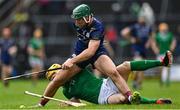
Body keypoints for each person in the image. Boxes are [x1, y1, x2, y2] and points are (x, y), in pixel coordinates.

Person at [38, 4, 136, 106]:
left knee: (113, 72)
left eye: (79, 19)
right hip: (80, 53)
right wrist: (73, 58)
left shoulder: (97, 27)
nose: (76, 22)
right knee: (57, 80)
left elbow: (90, 51)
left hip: (95, 54)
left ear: (87, 17)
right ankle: (41, 104)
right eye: (75, 19)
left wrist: (71, 61)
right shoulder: (77, 24)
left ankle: (130, 97)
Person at [44, 50, 172, 106]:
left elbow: (84, 57)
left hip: (107, 84)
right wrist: (69, 104)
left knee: (126, 65)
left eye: (56, 74)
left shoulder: (75, 70)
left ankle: (162, 62)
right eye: (53, 78)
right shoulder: (66, 91)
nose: (56, 79)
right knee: (124, 99)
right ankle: (156, 102)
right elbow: (77, 102)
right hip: (103, 99)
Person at [121, 16, 153, 89]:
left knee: (142, 68)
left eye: (143, 19)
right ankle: (135, 81)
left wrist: (148, 42)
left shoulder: (148, 27)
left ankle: (138, 84)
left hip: (144, 50)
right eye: (141, 18)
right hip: (137, 49)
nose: (142, 20)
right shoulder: (135, 27)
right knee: (138, 66)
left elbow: (151, 36)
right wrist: (131, 39)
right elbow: (123, 32)